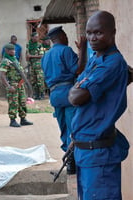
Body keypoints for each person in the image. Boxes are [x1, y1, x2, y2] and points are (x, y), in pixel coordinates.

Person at [68, 11, 130, 200]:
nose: (92, 38)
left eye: (98, 33)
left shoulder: (111, 64)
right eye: (89, 33)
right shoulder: (96, 58)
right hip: (86, 152)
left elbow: (75, 97)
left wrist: (78, 87)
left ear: (113, 32)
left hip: (98, 154)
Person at [41, 26, 86, 174]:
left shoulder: (46, 56)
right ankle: (72, 161)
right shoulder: (66, 51)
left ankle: (68, 159)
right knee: (73, 127)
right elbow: (78, 70)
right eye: (65, 35)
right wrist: (82, 51)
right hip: (68, 93)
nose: (67, 38)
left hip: (55, 95)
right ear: (61, 36)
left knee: (63, 128)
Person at [0, 44, 33, 127]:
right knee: (13, 103)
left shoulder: (14, 59)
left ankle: (23, 119)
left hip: (20, 84)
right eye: (12, 50)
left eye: (14, 50)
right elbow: (2, 75)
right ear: (7, 51)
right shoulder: (5, 61)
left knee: (22, 102)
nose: (14, 51)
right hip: (13, 85)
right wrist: (8, 86)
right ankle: (12, 120)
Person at [26, 32, 45, 99]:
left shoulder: (39, 45)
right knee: (33, 80)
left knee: (40, 80)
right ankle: (36, 94)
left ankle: (42, 94)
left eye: (38, 37)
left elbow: (42, 55)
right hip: (31, 66)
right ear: (32, 37)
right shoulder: (28, 45)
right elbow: (27, 55)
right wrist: (28, 57)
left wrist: (31, 56)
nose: (37, 38)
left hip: (38, 66)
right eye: (36, 37)